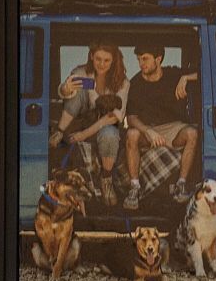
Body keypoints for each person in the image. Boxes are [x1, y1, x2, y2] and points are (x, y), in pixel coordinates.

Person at [121, 45, 202, 210]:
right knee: (131, 134)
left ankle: (181, 185)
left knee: (192, 133)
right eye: (138, 59)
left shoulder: (173, 74)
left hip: (173, 129)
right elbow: (131, 118)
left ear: (158, 59)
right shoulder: (136, 83)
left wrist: (186, 77)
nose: (141, 64)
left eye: (145, 59)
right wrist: (148, 131)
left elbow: (208, 73)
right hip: (147, 129)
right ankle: (134, 188)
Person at [54, 42, 129, 203]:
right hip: (79, 121)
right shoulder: (81, 72)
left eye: (107, 60)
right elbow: (65, 92)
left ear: (114, 60)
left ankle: (106, 180)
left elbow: (114, 117)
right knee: (77, 87)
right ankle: (59, 130)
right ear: (91, 57)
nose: (101, 64)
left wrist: (83, 135)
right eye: (98, 59)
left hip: (104, 127)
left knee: (110, 133)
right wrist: (65, 89)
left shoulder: (122, 82)